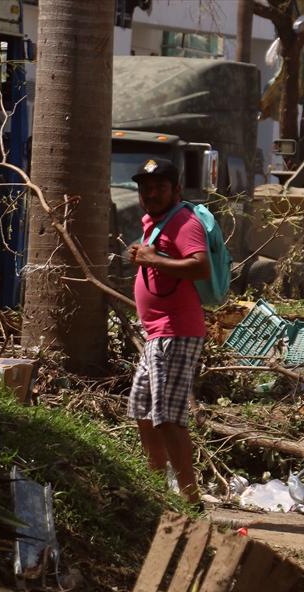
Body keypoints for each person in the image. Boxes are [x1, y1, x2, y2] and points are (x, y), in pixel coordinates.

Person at [125, 158, 210, 504]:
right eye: (146, 188)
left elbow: (200, 266)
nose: (151, 193)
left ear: (176, 190)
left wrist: (152, 260)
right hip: (157, 335)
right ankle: (157, 491)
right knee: (143, 411)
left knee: (167, 418)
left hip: (176, 333)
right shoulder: (155, 223)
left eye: (160, 187)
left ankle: (190, 500)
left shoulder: (184, 222)